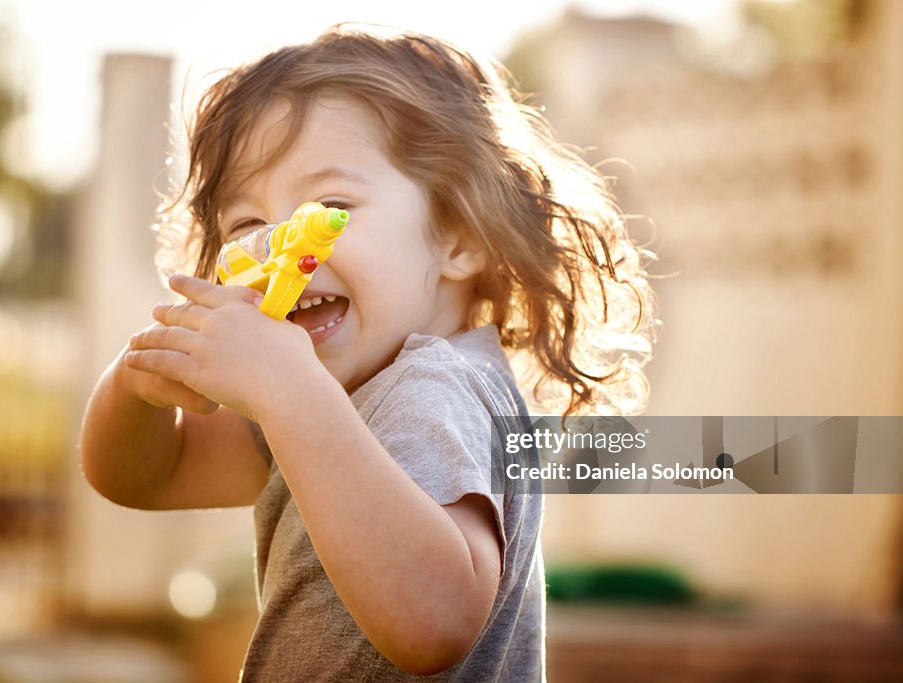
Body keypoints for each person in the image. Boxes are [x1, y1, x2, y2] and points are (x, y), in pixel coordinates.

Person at [80, 24, 656, 681]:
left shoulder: (434, 389)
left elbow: (433, 621)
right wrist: (138, 383)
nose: (275, 246)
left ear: (459, 235)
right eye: (245, 223)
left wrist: (292, 395)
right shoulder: (321, 400)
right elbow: (144, 475)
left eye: (328, 205)